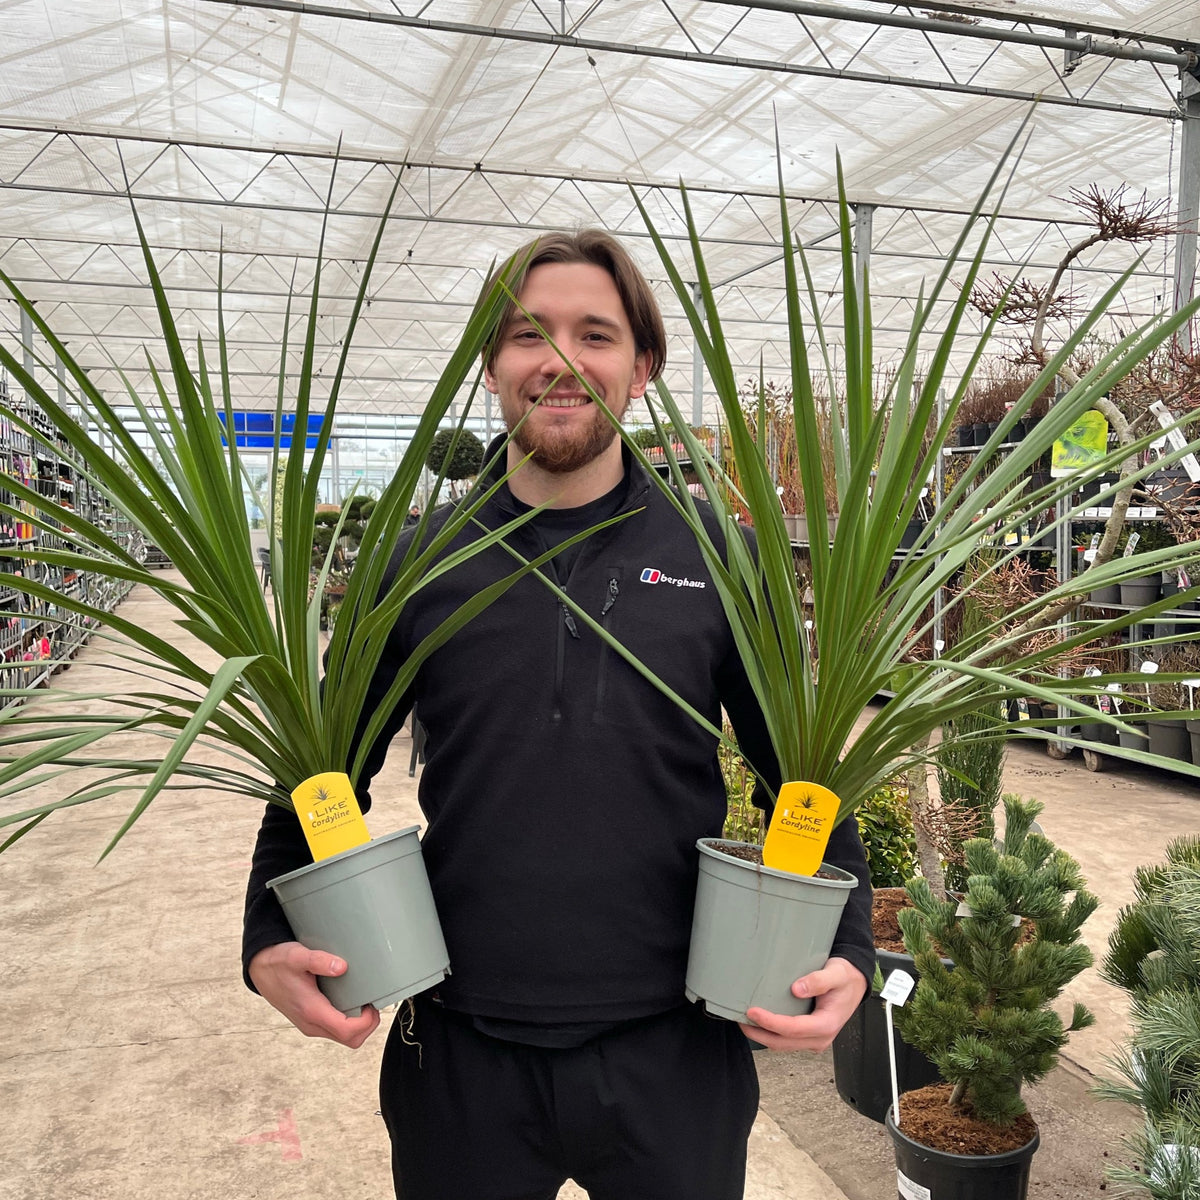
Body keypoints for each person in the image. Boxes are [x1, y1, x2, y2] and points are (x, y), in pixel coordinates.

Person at [242, 229, 873, 1200]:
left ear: (643, 367)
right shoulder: (417, 556)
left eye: (598, 333)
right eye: (530, 334)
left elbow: (802, 762)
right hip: (460, 1049)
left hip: (677, 1049)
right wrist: (265, 931)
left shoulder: (717, 553)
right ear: (492, 364)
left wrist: (850, 948)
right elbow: (325, 761)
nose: (562, 360)